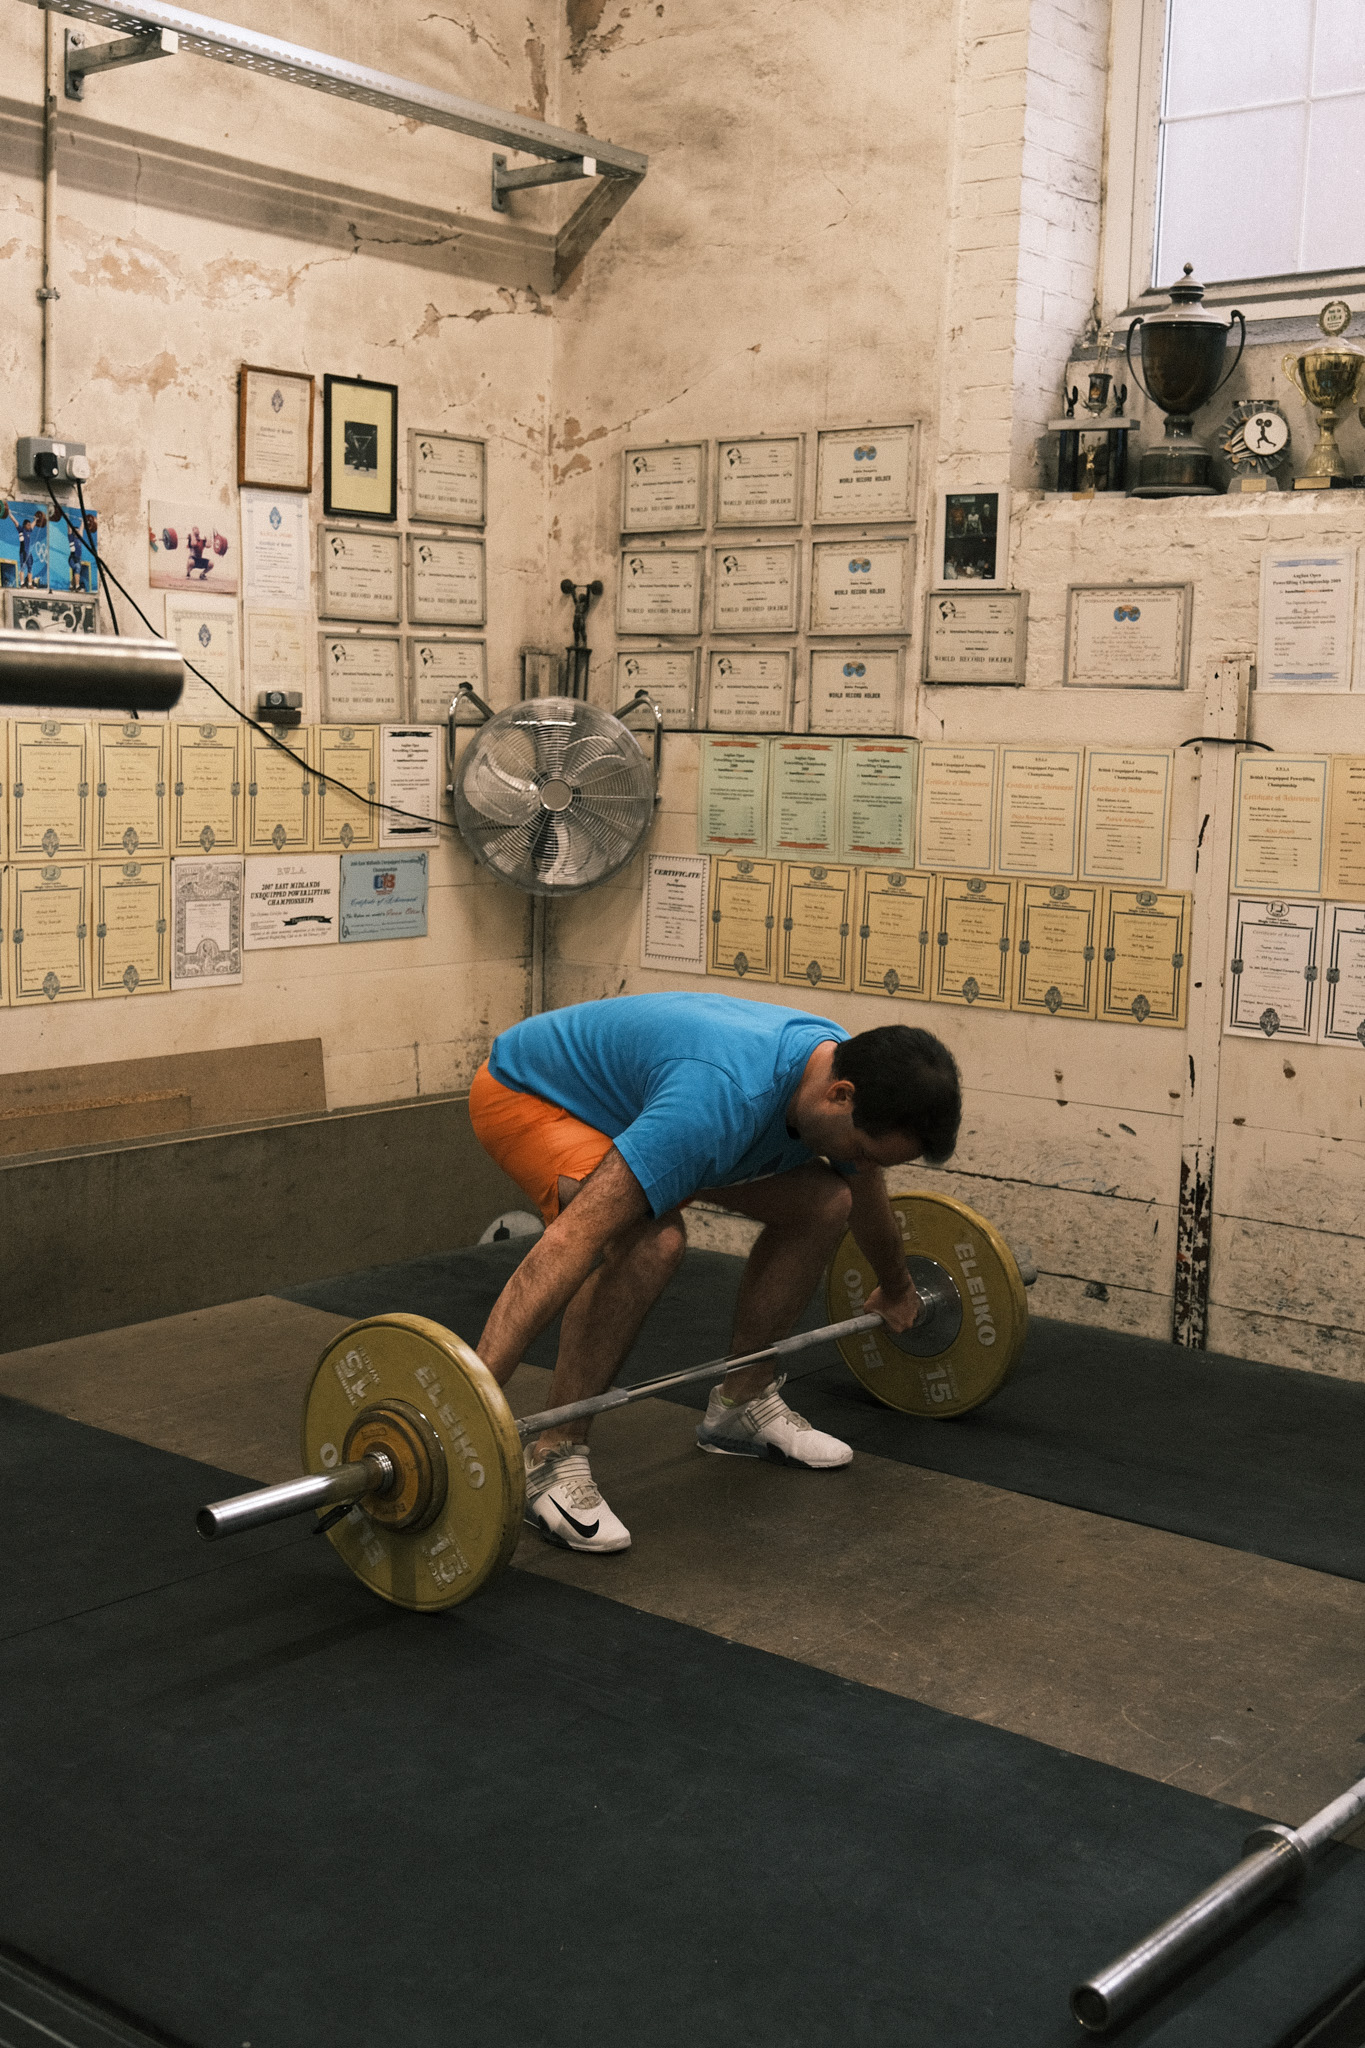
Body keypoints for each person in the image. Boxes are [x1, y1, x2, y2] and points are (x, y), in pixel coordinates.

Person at [468, 993, 962, 1556]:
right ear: (840, 1095)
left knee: (826, 1203)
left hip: (658, 1106)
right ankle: (553, 1451)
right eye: (863, 1149)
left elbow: (864, 1190)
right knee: (652, 1243)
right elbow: (570, 1240)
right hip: (534, 1097)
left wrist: (897, 1287)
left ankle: (742, 1403)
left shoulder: (835, 1069)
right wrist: (477, 1389)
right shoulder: (716, 1101)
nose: (864, 1166)